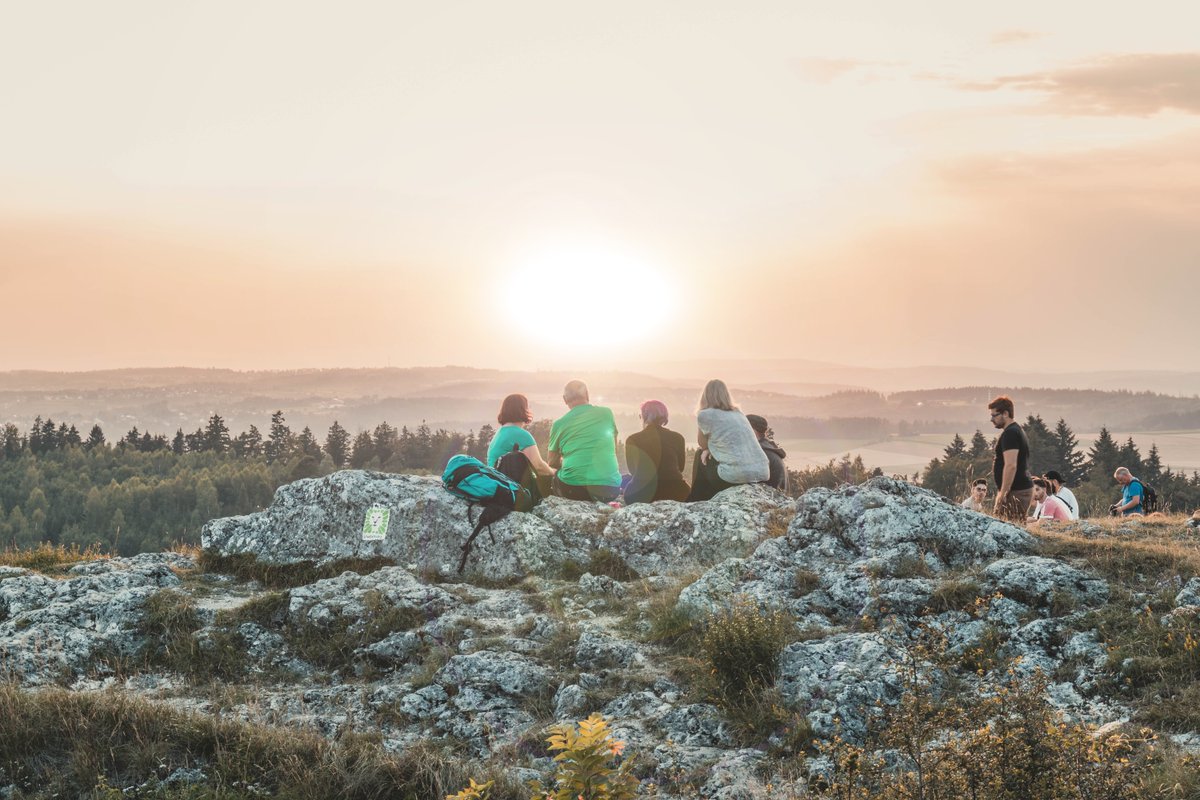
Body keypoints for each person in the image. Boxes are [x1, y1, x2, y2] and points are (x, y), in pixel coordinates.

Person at [687, 379, 769, 502]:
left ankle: (695, 501)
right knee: (709, 457)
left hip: (734, 477)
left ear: (705, 395)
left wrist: (707, 449)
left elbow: (702, 443)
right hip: (761, 473)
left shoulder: (705, 415)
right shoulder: (738, 413)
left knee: (700, 454)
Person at [548, 380, 622, 503]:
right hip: (610, 490)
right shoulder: (606, 413)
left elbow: (552, 462)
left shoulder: (559, 424)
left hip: (574, 490)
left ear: (564, 399)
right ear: (587, 394)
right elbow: (613, 446)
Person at [486, 393, 555, 499]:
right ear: (523, 410)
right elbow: (539, 467)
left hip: (496, 486)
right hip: (509, 489)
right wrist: (554, 472)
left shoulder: (500, 432)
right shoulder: (520, 434)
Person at [623, 400, 690, 504]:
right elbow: (680, 468)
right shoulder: (677, 437)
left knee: (625, 479)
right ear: (664, 417)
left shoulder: (632, 439)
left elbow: (633, 471)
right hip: (677, 493)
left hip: (642, 495)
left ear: (643, 417)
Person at [988, 395, 1033, 522]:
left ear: (1005, 413)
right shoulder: (1016, 430)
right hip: (1018, 490)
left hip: (1016, 491)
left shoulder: (1010, 433)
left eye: (994, 415)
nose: (991, 419)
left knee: (1008, 531)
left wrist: (1003, 493)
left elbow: (1011, 465)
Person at [746, 414, 789, 492]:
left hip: (768, 499)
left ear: (752, 430)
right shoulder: (768, 448)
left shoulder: (760, 452)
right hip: (776, 498)